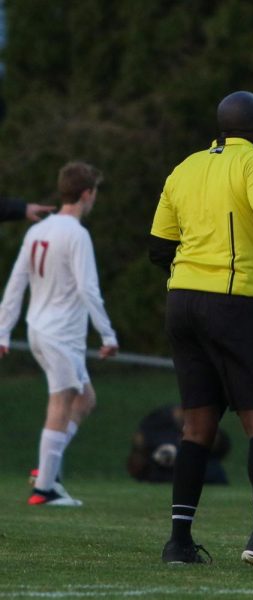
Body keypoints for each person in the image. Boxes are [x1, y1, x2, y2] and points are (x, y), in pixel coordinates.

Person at [149, 90, 253, 567]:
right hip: (236, 301)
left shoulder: (184, 168)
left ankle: (178, 542)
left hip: (182, 302)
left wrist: (193, 273)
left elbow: (159, 248)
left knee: (196, 424)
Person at [0, 161, 118, 507]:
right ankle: (45, 490)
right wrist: (108, 336)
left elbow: (15, 283)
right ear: (86, 193)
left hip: (39, 329)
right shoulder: (76, 234)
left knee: (85, 399)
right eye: (94, 193)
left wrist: (5, 330)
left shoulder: (38, 231)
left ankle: (46, 470)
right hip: (60, 334)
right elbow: (89, 290)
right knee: (62, 400)